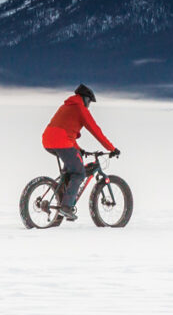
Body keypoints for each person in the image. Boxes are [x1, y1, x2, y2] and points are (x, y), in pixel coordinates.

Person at [41, 83, 117, 220]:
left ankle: (62, 200)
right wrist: (111, 148)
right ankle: (66, 207)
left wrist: (78, 149)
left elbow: (65, 131)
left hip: (47, 140)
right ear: (85, 99)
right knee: (79, 173)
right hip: (61, 142)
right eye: (89, 102)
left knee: (70, 171)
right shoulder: (81, 109)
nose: (89, 105)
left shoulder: (66, 106)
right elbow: (96, 131)